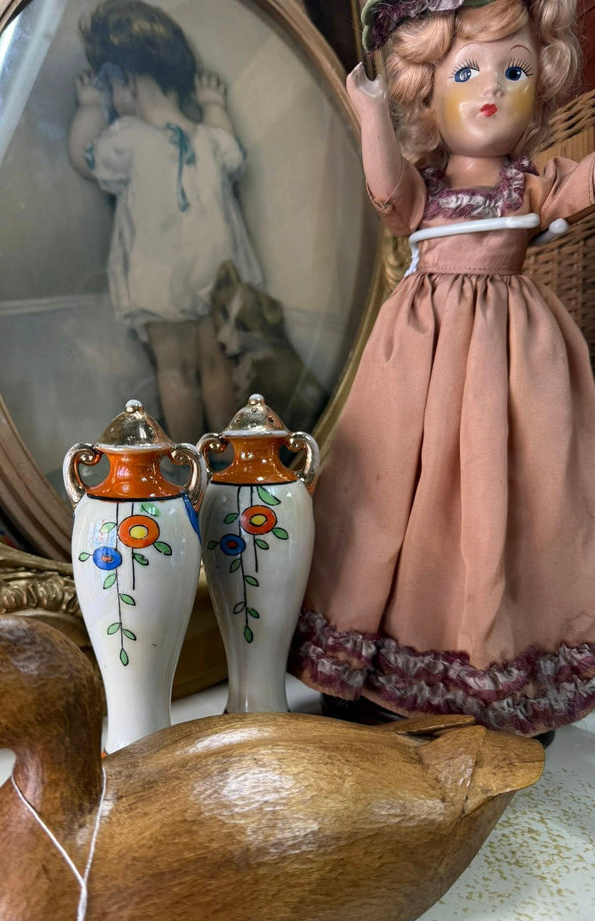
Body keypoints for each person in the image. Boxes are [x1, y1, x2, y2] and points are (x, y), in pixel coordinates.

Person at [289, 0, 595, 736]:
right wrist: (369, 116)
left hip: (518, 358)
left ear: (541, 86)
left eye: (514, 69)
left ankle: (506, 664)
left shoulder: (530, 183)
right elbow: (392, 198)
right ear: (429, 92)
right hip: (418, 350)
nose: (492, 87)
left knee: (517, 496)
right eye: (466, 71)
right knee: (392, 488)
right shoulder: (428, 186)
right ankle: (377, 664)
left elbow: (579, 187)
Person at [68, 0, 263, 443]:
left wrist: (86, 110)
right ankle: (225, 457)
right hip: (214, 267)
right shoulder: (211, 139)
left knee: (174, 369)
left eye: (109, 87)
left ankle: (188, 457)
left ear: (126, 83)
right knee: (216, 361)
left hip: (159, 273)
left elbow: (84, 158)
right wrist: (214, 105)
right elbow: (236, 157)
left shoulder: (128, 138)